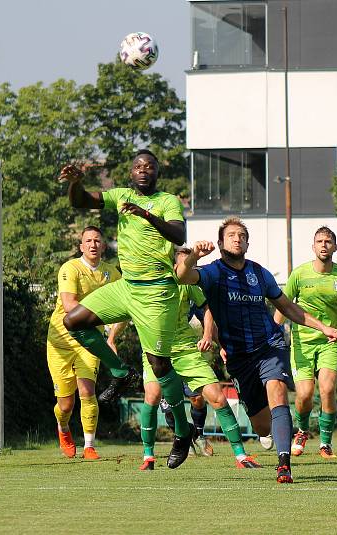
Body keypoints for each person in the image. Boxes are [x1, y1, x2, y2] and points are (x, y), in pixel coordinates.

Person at [176, 217, 337, 484]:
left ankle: (284, 464)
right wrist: (194, 255)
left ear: (248, 243)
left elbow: (288, 307)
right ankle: (273, 430)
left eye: (242, 235)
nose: (237, 238)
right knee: (262, 427)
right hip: (240, 358)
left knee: (277, 389)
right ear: (220, 243)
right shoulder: (213, 272)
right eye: (231, 235)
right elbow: (183, 275)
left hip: (269, 346)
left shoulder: (260, 273)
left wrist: (323, 327)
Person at [57, 149, 195, 469]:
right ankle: (120, 372)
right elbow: (82, 201)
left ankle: (182, 431)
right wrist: (75, 183)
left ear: (157, 173)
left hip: (157, 292)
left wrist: (146, 214)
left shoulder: (167, 201)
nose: (143, 170)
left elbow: (179, 233)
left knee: (160, 367)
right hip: (126, 287)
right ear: (130, 172)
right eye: (138, 166)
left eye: (149, 166)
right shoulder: (120, 195)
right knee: (74, 320)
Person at [139, 246, 258, 471]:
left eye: (191, 265)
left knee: (218, 398)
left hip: (186, 350)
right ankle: (148, 456)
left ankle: (241, 456)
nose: (188, 269)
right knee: (153, 396)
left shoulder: (187, 285)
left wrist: (206, 335)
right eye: (185, 264)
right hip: (155, 351)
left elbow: (208, 308)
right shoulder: (147, 284)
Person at [273, 226, 337, 459]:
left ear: (335, 247)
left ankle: (325, 444)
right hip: (302, 342)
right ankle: (303, 431)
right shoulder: (299, 274)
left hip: (330, 341)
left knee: (327, 389)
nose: (324, 245)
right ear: (313, 246)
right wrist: (272, 334)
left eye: (328, 241)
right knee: (305, 395)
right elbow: (283, 307)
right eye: (320, 241)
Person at [46, 226, 125, 459]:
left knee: (87, 391)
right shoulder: (70, 268)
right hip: (60, 341)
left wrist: (110, 337)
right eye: (88, 240)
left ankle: (89, 445)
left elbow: (127, 306)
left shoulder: (112, 274)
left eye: (97, 240)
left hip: (89, 341)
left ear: (103, 246)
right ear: (81, 246)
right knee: (66, 405)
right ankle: (63, 428)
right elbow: (70, 305)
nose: (92, 244)